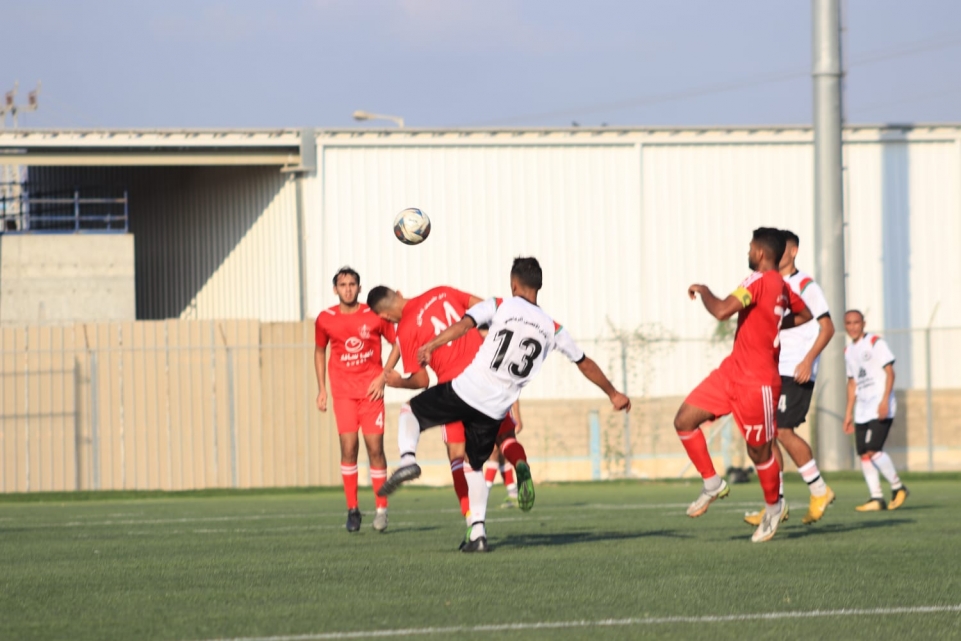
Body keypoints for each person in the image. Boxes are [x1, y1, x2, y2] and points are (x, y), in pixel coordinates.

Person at [377, 257, 631, 552]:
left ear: (513, 284)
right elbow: (584, 363)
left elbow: (463, 325)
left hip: (466, 389)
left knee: (411, 411)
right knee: (475, 464)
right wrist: (613, 393)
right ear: (539, 286)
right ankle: (478, 535)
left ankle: (408, 460)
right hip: (496, 407)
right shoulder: (553, 328)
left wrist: (432, 345)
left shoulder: (500, 305)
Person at [675, 227, 812, 543]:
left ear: (760, 253)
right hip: (731, 372)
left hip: (757, 382)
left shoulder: (759, 280)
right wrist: (773, 323)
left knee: (758, 451)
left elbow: (722, 311)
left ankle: (774, 508)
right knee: (684, 420)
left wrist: (704, 290)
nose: (748, 252)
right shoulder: (781, 286)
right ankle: (712, 483)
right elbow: (804, 314)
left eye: (751, 247)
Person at [366, 285, 533, 522]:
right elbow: (485, 306)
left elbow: (422, 380)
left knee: (457, 457)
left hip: (455, 390)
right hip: (487, 380)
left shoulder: (404, 330)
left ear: (384, 316)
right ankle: (521, 465)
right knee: (505, 438)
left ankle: (473, 524)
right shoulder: (442, 292)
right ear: (399, 294)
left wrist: (398, 381)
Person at [744, 230, 836, 527]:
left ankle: (820, 490)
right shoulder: (771, 283)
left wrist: (808, 360)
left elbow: (828, 327)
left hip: (795, 369)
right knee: (768, 436)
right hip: (771, 369)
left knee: (783, 431)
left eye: (782, 248)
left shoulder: (805, 285)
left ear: (793, 251)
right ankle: (777, 504)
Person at [314, 266, 396, 533]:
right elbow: (319, 351)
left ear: (359, 288)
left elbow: (398, 343)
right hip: (343, 394)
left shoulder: (374, 314)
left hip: (371, 393)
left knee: (375, 449)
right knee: (348, 449)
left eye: (352, 285)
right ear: (335, 289)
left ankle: (381, 509)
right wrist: (322, 389)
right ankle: (352, 509)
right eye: (343, 285)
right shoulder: (325, 319)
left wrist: (383, 376)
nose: (347, 289)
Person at [843, 310, 908, 511]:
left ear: (863, 323)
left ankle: (898, 487)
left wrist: (885, 401)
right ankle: (876, 498)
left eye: (856, 322)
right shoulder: (848, 351)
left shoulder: (875, 343)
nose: (853, 326)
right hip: (861, 409)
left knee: (873, 450)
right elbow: (852, 383)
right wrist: (848, 413)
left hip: (879, 405)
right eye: (848, 323)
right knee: (864, 453)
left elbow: (890, 373)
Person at [484, 401, 523, 509]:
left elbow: (514, 398)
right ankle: (513, 494)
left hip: (499, 416)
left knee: (495, 454)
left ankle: (484, 495)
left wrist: (517, 418)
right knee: (501, 456)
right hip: (490, 415)